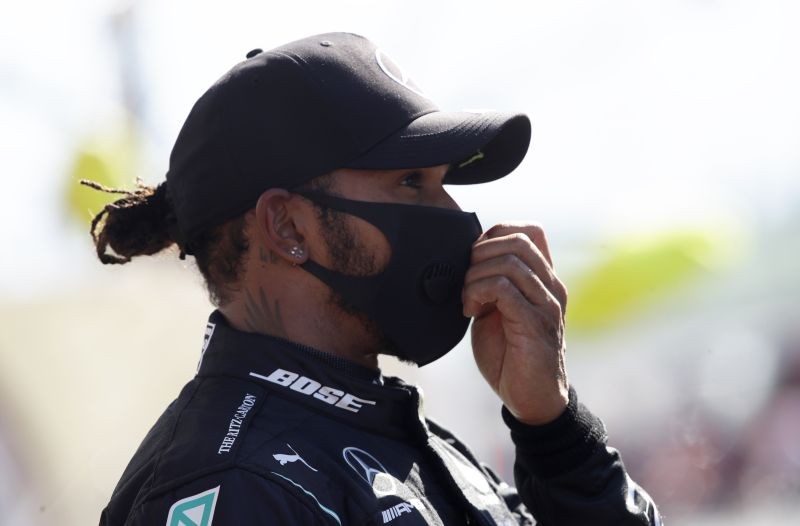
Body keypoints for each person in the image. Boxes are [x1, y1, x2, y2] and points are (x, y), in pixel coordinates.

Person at [88, 32, 662, 525]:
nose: (452, 214)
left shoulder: (409, 441)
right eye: (412, 181)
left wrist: (552, 429)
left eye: (443, 182)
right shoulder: (232, 482)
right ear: (288, 225)